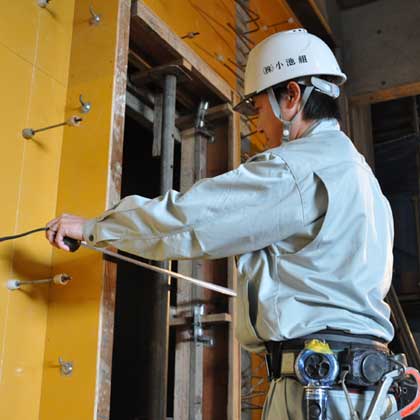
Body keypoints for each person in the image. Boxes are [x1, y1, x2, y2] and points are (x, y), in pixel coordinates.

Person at [46, 29, 397, 418]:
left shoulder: (297, 169)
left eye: (257, 106)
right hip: (364, 389)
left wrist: (95, 227)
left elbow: (191, 219)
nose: (257, 122)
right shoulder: (364, 180)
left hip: (320, 388)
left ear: (292, 97)